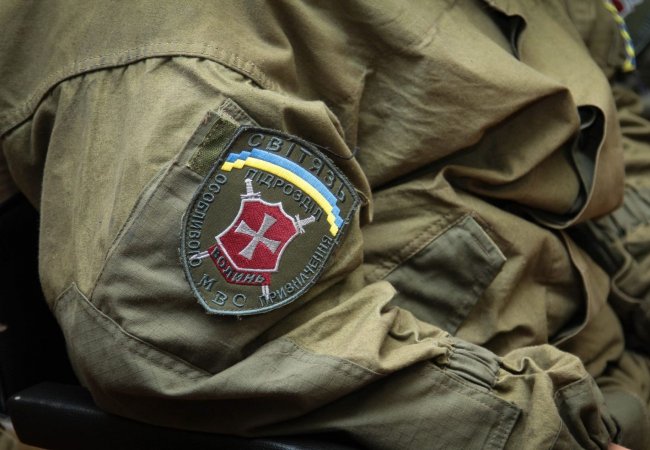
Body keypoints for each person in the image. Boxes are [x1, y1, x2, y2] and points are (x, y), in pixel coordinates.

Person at [1, 0, 649, 448]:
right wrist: (552, 435)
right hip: (494, 408)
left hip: (609, 363)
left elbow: (603, 117)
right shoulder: (186, 39)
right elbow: (190, 333)